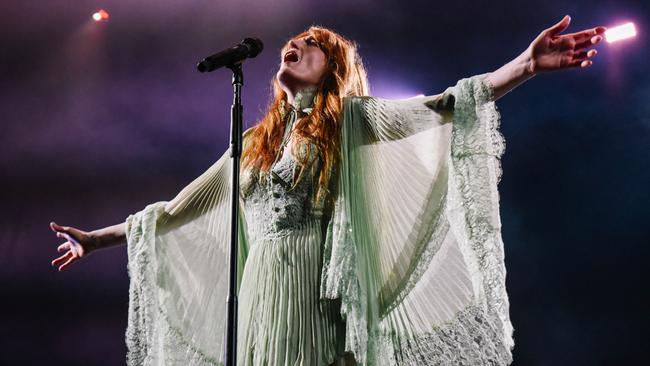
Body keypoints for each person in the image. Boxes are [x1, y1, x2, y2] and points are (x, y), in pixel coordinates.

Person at [51, 16, 605, 366]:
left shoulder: (352, 121)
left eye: (312, 44)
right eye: (294, 41)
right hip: (260, 299)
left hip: (316, 297)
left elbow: (444, 106)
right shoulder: (252, 141)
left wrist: (526, 66)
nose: (294, 45)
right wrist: (94, 240)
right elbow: (175, 212)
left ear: (334, 67)